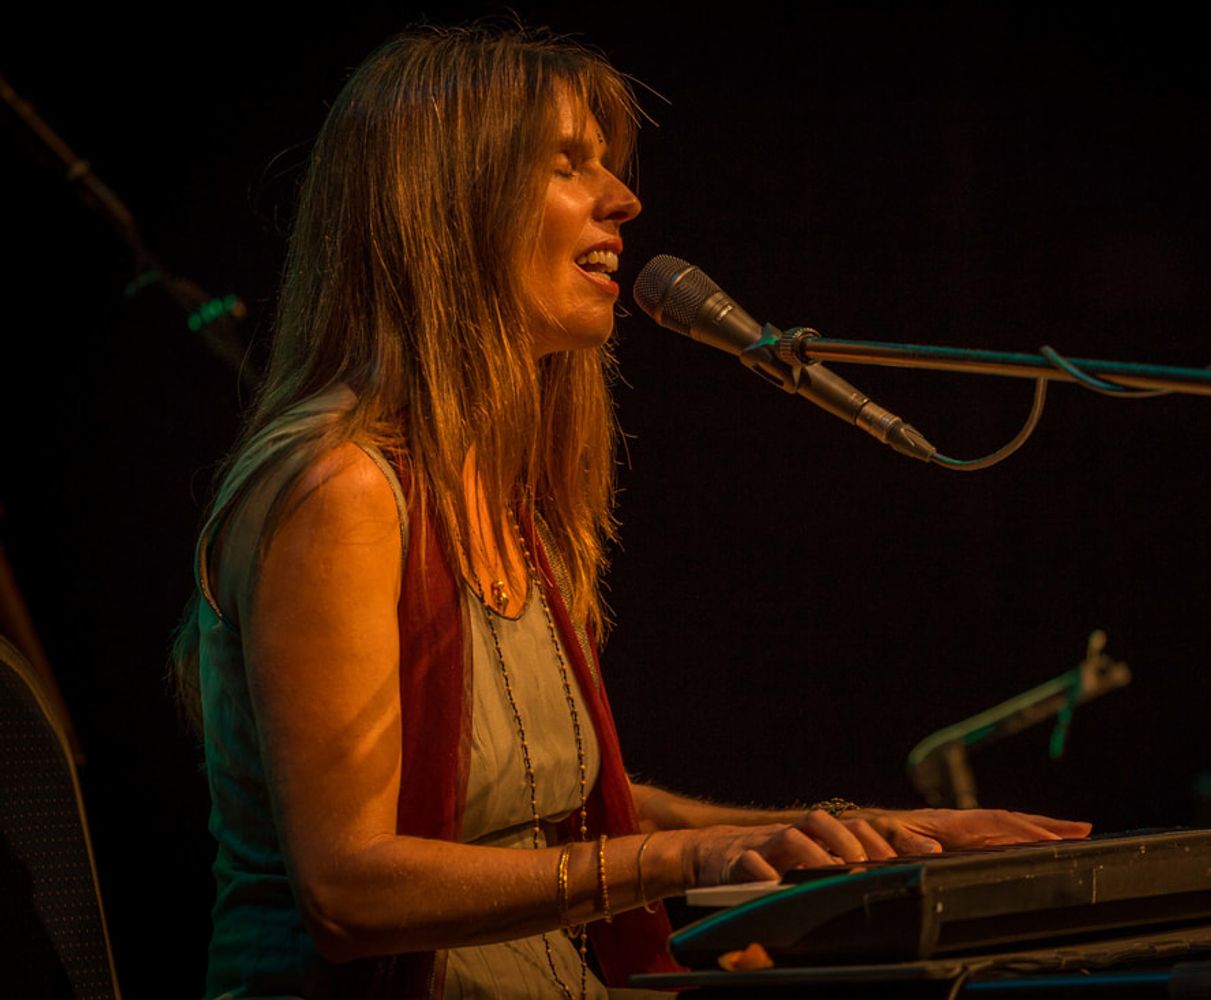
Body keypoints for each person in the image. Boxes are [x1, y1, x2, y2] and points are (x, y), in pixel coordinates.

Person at [172, 25, 1091, 1000]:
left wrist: (850, 833)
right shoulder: (341, 490)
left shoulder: (505, 496)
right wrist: (686, 860)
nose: (623, 198)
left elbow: (551, 818)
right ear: (446, 205)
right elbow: (347, 891)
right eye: (569, 165)